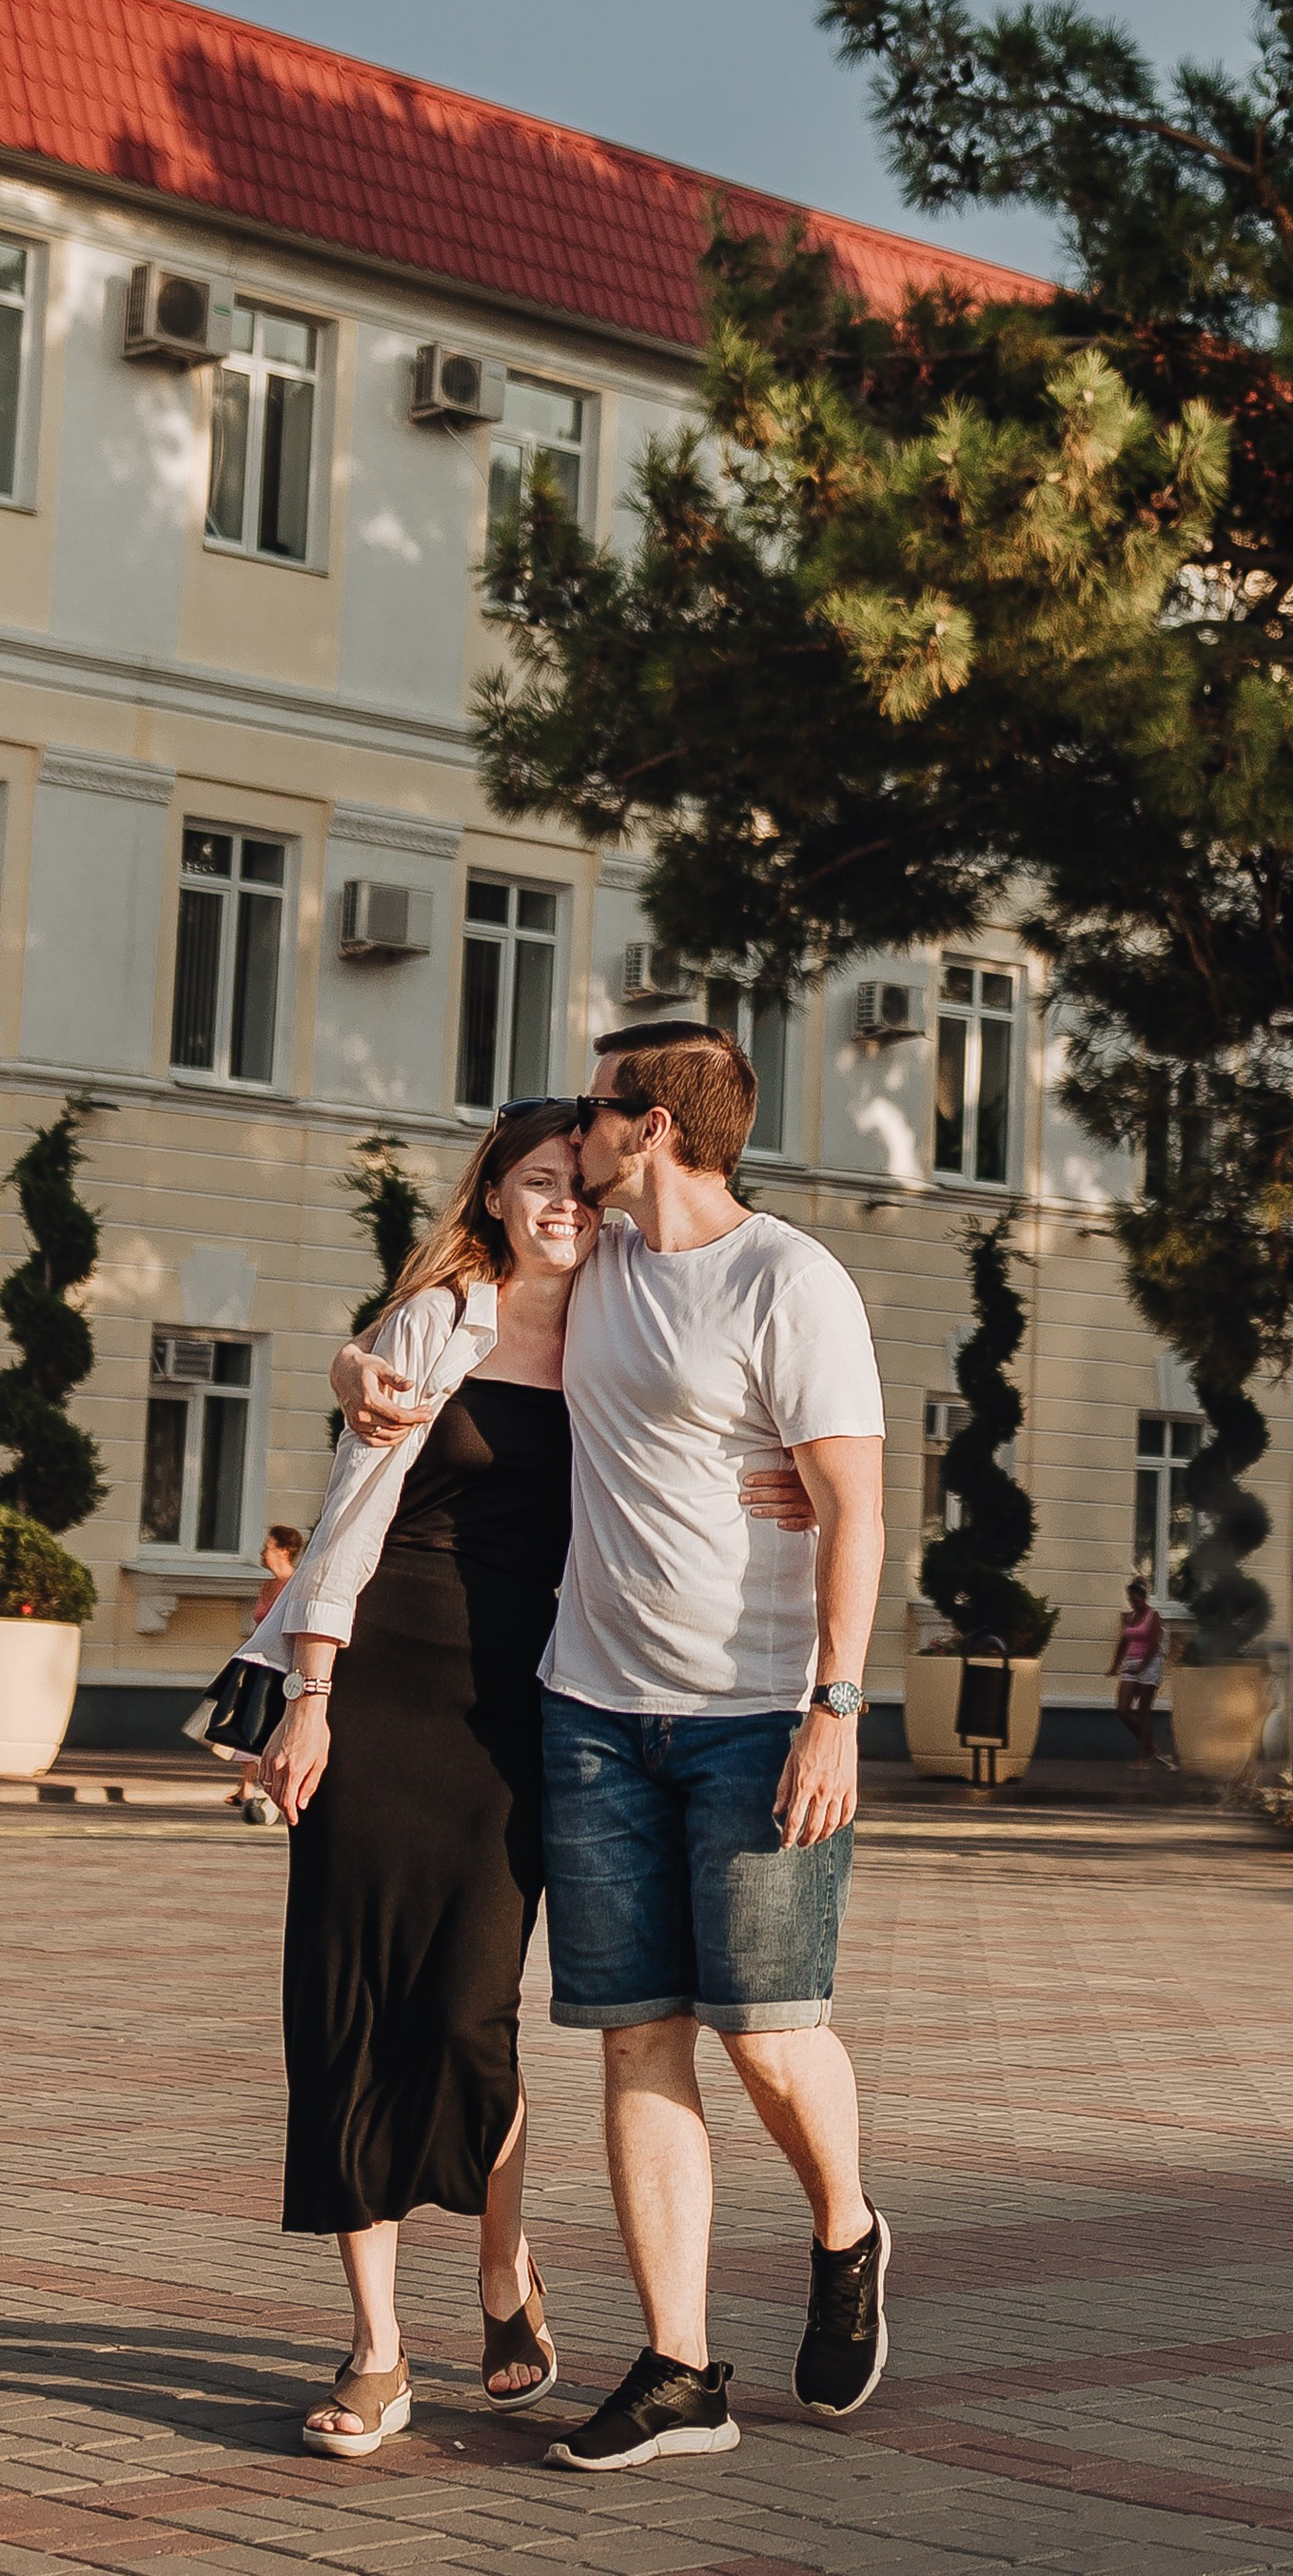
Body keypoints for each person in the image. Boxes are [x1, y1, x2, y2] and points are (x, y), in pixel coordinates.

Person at [334, 1019, 890, 2477]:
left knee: (767, 2035)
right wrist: (354, 1368)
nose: (568, 1131)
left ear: (645, 1126)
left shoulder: (794, 1282)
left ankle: (846, 2226)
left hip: (759, 1718)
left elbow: (857, 1510)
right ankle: (681, 2368)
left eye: (590, 1108)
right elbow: (461, 1312)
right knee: (638, 2035)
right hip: (589, 1708)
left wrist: (837, 1708)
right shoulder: (607, 1267)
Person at [249, 1104, 594, 2458]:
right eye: (536, 1182)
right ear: (496, 1194)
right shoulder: (441, 1316)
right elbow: (348, 1512)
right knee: (350, 2005)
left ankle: (506, 2270)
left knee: (469, 2010)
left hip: (526, 1708)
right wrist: (312, 1694)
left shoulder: (632, 1327)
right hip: (386, 1683)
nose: (560, 1203)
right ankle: (379, 2346)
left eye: (580, 1184)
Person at [230, 1527, 304, 1821]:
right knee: (250, 1726)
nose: (263, 1552)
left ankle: (269, 1791)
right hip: (258, 1665)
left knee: (270, 1726)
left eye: (268, 1547)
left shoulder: (295, 1584)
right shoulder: (267, 1586)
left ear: (284, 1550)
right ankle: (247, 1787)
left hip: (283, 1668)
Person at [1108, 1576, 1173, 1767]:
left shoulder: (1153, 1616)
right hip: (1132, 1664)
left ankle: (1144, 1757)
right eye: (1130, 1599)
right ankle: (1149, 1744)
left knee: (1143, 1709)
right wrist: (1115, 1665)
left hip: (1150, 1664)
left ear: (1142, 1596)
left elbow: (1153, 1645)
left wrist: (1142, 1667)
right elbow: (1124, 1641)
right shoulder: (1130, 1616)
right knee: (1122, 1710)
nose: (1132, 1602)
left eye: (1135, 1599)